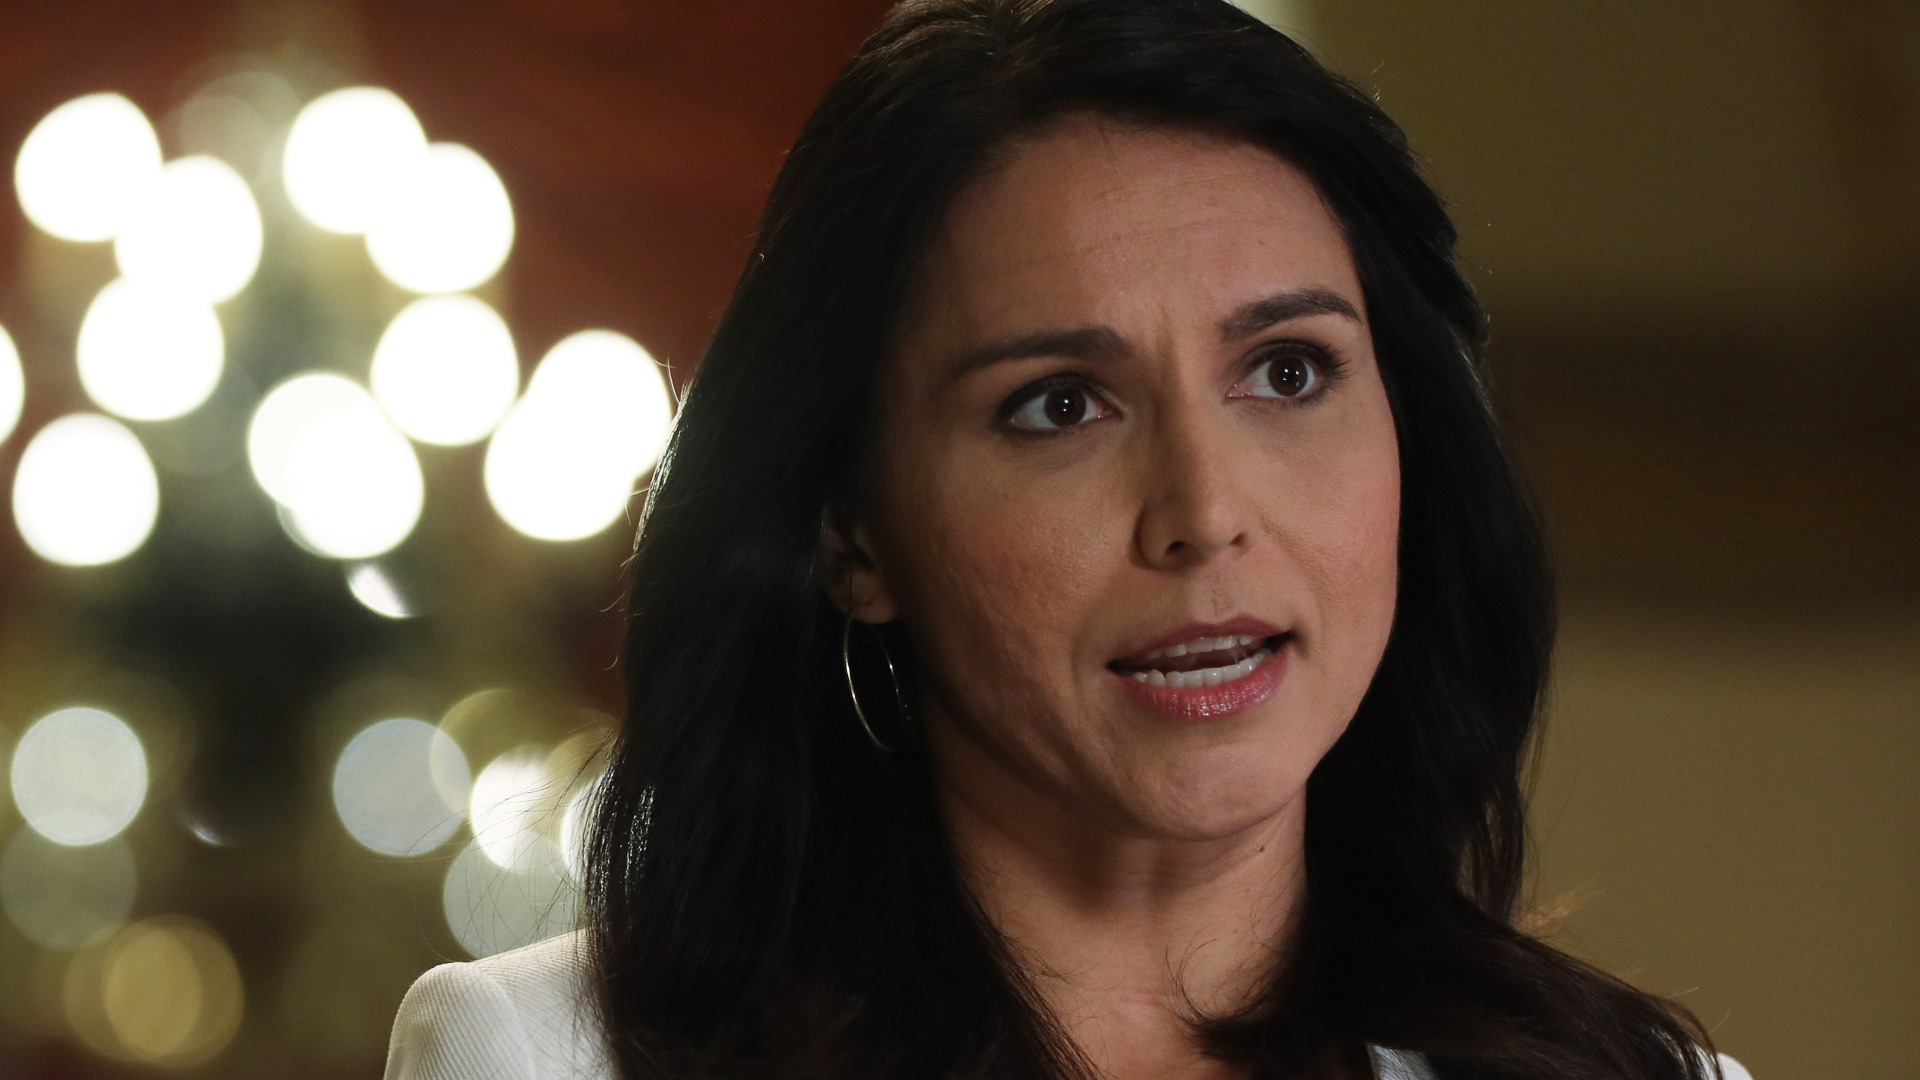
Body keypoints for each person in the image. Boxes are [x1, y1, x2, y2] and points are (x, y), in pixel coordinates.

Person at [386, 1, 1755, 1078]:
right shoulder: (551, 1060)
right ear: (852, 533)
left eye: (1288, 371)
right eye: (1058, 405)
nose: (1205, 513)